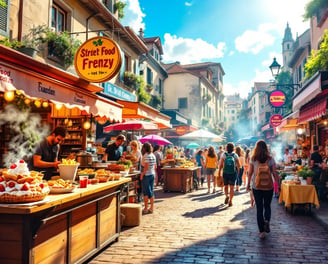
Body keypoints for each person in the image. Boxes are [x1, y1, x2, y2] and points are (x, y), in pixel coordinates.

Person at [246, 140, 279, 239]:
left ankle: (261, 232)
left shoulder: (253, 158)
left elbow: (250, 172)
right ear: (266, 148)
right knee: (267, 206)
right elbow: (274, 172)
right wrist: (278, 184)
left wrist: (248, 184)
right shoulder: (270, 159)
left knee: (259, 208)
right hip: (268, 186)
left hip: (257, 186)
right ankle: (267, 220)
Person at [218, 142, 240, 207]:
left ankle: (227, 196)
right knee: (232, 187)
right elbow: (239, 165)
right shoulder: (235, 155)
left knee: (226, 186)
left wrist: (219, 171)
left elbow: (221, 164)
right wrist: (238, 173)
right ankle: (230, 201)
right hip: (233, 173)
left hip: (225, 172)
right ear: (233, 148)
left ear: (226, 148)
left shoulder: (224, 154)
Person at [140, 142, 156, 214]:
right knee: (151, 191)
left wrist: (142, 174)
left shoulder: (146, 155)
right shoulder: (153, 155)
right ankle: (151, 207)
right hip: (152, 174)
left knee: (146, 192)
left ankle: (146, 208)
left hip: (147, 175)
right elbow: (155, 166)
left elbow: (146, 166)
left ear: (144, 148)